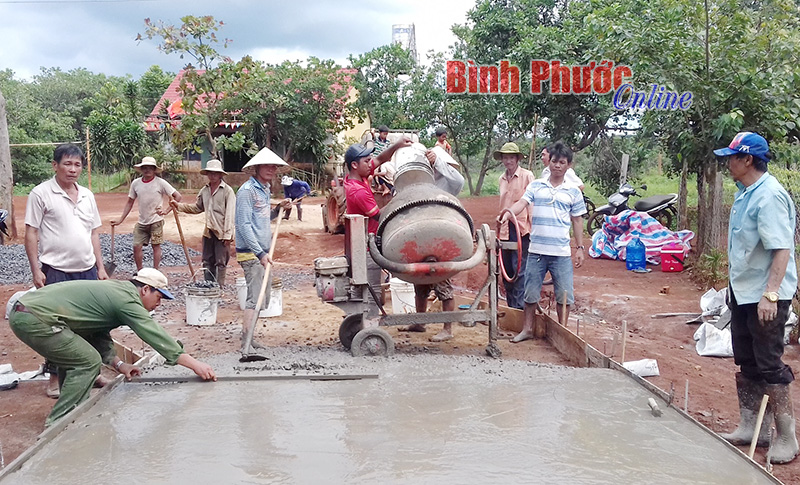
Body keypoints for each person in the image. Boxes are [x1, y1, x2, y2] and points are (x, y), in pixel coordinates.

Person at [8, 268, 216, 427]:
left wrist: (120, 365)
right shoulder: (127, 300)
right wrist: (194, 364)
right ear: (145, 289)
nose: (159, 304)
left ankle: (72, 410)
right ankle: (60, 423)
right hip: (35, 317)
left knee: (74, 356)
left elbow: (98, 334)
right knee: (87, 360)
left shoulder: (118, 291)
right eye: (159, 297)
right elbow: (154, 334)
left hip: (28, 312)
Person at [714, 132, 799, 464]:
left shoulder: (769, 196)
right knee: (747, 359)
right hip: (744, 292)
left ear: (747, 160)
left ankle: (787, 437)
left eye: (732, 157)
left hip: (766, 296)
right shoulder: (745, 193)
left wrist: (771, 294)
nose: (728, 163)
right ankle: (753, 428)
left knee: (769, 363)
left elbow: (781, 249)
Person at [24, 143, 109, 399]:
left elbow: (93, 233)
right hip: (56, 271)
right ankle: (54, 378)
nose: (73, 169)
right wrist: (36, 269)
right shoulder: (41, 194)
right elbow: (31, 233)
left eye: (77, 165)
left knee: (92, 323)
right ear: (55, 165)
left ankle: (93, 371)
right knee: (56, 327)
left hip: (87, 270)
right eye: (67, 164)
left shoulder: (87, 195)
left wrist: (100, 267)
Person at [499, 141, 586, 343]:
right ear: (549, 163)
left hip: (561, 252)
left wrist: (580, 248)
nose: (557, 165)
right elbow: (522, 203)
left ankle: (563, 333)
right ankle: (527, 329)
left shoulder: (573, 191)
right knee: (530, 292)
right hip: (536, 250)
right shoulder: (536, 185)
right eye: (554, 161)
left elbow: (577, 220)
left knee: (564, 295)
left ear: (569, 165)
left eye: (562, 162)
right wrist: (508, 214)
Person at [343, 138, 412, 312]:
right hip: (366, 247)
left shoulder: (359, 177)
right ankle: (370, 324)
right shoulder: (357, 191)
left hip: (360, 243)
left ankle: (358, 320)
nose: (370, 164)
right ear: (354, 165)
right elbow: (379, 216)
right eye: (366, 161)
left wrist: (397, 145)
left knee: (364, 291)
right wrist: (401, 200)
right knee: (372, 293)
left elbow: (381, 159)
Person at [235, 147, 292, 351]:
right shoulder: (247, 191)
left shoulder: (265, 189)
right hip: (252, 253)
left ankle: (250, 338)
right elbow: (244, 225)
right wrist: (259, 253)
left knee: (262, 297)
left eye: (274, 166)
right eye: (267, 165)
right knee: (255, 297)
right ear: (257, 167)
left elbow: (262, 219)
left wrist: (278, 210)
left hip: (263, 253)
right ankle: (246, 342)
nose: (271, 169)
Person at [411, 143, 466, 342]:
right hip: (422, 234)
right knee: (419, 280)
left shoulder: (449, 182)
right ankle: (420, 322)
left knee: (442, 281)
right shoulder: (421, 182)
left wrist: (439, 163)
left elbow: (459, 181)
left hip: (442, 236)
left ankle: (447, 329)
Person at [166, 159, 235, 286]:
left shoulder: (227, 191)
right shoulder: (204, 191)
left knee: (221, 261)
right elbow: (197, 208)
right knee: (207, 260)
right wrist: (179, 206)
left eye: (215, 173)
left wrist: (228, 235)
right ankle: (209, 286)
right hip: (209, 231)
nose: (212, 175)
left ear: (220, 174)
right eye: (210, 173)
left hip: (221, 231)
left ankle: (219, 287)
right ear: (207, 174)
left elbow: (230, 214)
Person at [111, 156, 182, 271]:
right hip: (142, 221)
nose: (147, 170)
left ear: (154, 170)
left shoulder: (160, 183)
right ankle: (140, 272)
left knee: (156, 246)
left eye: (150, 168)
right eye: (145, 167)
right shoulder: (136, 183)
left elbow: (177, 196)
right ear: (141, 169)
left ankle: (155, 271)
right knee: (136, 246)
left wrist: (166, 211)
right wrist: (120, 220)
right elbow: (129, 202)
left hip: (156, 221)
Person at [494, 142, 535, 310]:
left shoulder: (527, 176)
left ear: (517, 159)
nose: (508, 161)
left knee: (519, 270)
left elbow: (531, 204)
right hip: (504, 228)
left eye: (511, 157)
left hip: (521, 228)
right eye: (505, 158)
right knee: (507, 271)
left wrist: (532, 228)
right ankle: (511, 307)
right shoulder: (501, 179)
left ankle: (519, 309)